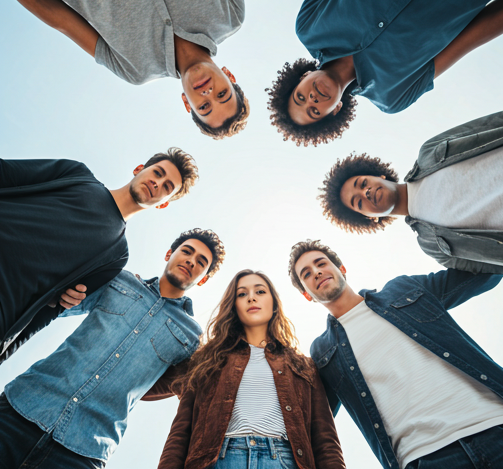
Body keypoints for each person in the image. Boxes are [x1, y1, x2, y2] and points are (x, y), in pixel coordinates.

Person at [0, 228, 225, 469]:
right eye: (187, 252)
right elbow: (55, 299)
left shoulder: (192, 337)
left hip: (84, 451)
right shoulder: (120, 280)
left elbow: (177, 387)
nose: (191, 260)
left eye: (201, 262)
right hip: (22, 408)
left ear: (203, 278)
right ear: (169, 253)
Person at [289, 239, 503, 469]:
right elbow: (311, 421)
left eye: (320, 263)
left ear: (342, 268)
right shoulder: (323, 352)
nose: (316, 272)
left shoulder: (403, 290)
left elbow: (485, 272)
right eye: (306, 274)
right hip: (424, 458)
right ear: (307, 295)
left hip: (500, 427)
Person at [267, 0, 503, 146]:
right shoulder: (394, 97)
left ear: (302, 78)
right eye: (315, 111)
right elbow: (473, 36)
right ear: (335, 110)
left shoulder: (310, 25)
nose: (312, 100)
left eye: (300, 97)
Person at [0, 0, 250, 139]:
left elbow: (61, 19)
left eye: (204, 107)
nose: (208, 93)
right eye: (222, 94)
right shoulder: (231, 13)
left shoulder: (134, 69)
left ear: (187, 104)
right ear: (229, 77)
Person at [0, 147, 198, 362]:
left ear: (164, 204)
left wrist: (5, 350)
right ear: (139, 169)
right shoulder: (77, 174)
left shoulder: (117, 256)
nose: (157, 183)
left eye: (167, 187)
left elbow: (50, 312)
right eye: (157, 173)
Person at [146, 269, 345, 469]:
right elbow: (181, 431)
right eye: (242, 294)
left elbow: (325, 439)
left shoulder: (304, 366)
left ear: (274, 304)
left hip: (285, 460)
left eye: (260, 292)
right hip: (217, 460)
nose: (251, 298)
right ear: (234, 306)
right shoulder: (206, 360)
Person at [318, 108, 503, 274]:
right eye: (358, 202)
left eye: (362, 183)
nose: (365, 193)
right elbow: (497, 265)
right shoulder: (432, 246)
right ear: (370, 218)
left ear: (378, 175)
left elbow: (491, 123)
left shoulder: (429, 152)